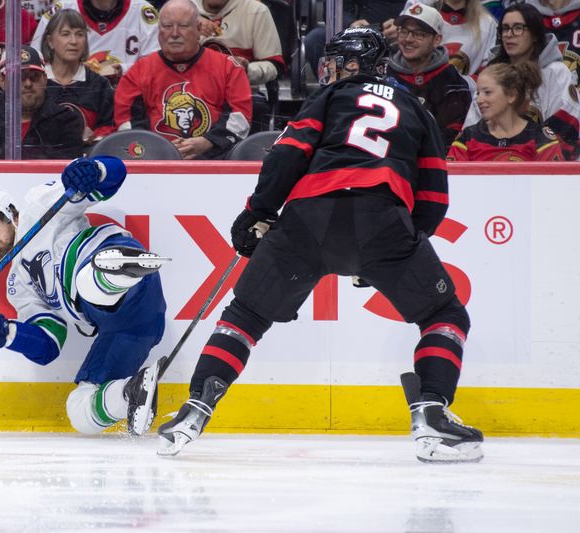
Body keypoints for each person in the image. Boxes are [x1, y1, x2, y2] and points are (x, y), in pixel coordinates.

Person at [157, 27, 484, 463]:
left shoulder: (330, 97)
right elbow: (434, 196)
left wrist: (257, 211)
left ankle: (195, 409)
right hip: (383, 218)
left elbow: (286, 154)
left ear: (353, 64)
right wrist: (403, 243)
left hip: (308, 220)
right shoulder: (417, 109)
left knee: (246, 315)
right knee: (444, 314)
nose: (327, 69)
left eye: (335, 61)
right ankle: (431, 412)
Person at [0, 156, 168, 436]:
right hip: (133, 325)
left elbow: (116, 175)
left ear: (10, 212)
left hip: (104, 262)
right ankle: (130, 392)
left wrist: (95, 170)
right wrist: (4, 334)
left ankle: (117, 272)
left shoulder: (38, 206)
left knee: (83, 284)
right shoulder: (18, 285)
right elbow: (49, 345)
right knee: (80, 412)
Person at [114, 0, 252, 160]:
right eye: (167, 26)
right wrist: (156, 148)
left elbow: (240, 117)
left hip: (215, 161)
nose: (174, 33)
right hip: (155, 162)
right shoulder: (138, 71)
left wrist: (208, 141)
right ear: (158, 30)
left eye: (183, 26)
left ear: (199, 29)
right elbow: (126, 122)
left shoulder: (229, 67)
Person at [464, 2, 580, 159]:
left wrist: (522, 156)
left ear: (535, 34)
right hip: (489, 162)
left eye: (518, 28)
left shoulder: (555, 72)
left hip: (541, 165)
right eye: (505, 28)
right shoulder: (491, 75)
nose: (509, 34)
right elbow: (472, 127)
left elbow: (567, 127)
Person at [0, 44, 85, 159]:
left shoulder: (66, 121)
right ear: (2, 80)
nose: (27, 83)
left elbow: (67, 172)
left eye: (34, 76)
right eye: (19, 77)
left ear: (45, 79)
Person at [386, 3, 474, 154]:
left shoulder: (452, 82)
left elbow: (450, 139)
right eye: (404, 31)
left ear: (437, 40)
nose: (408, 39)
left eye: (419, 34)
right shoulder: (383, 73)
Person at [194, 0, 284, 131]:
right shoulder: (179, 10)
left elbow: (274, 66)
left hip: (240, 93)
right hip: (191, 91)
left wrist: (247, 70)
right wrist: (188, 25)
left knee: (257, 107)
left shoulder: (256, 10)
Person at [448, 62, 564, 160]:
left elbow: (553, 183)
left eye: (487, 92)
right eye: (478, 93)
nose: (479, 100)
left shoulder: (540, 139)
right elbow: (452, 182)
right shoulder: (467, 138)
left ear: (511, 95)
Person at [31, 0, 160, 86]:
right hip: (71, 93)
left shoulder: (142, 10)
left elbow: (157, 65)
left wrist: (123, 69)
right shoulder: (63, 8)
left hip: (130, 94)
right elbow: (35, 59)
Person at [41, 9, 115, 143]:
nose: (73, 41)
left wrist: (95, 137)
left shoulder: (99, 84)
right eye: (65, 34)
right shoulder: (36, 80)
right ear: (50, 41)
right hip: (42, 157)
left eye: (80, 34)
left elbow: (108, 126)